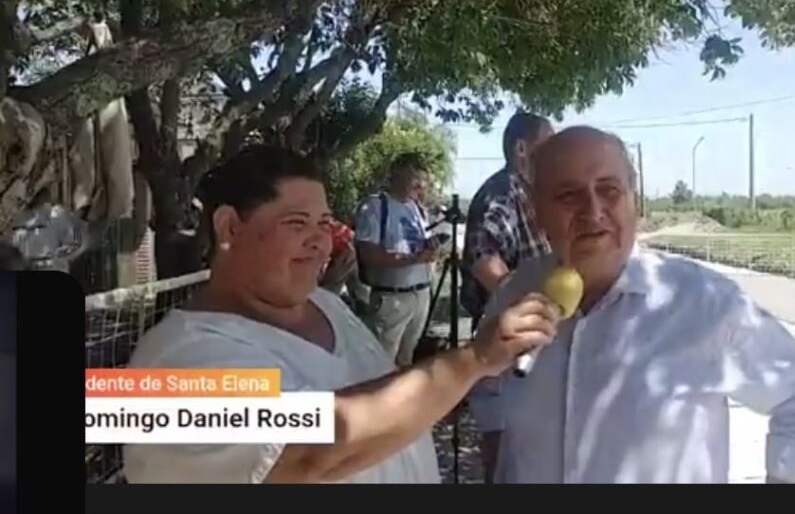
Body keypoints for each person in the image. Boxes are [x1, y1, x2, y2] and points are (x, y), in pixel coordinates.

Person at [122, 145, 558, 484]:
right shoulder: (173, 363)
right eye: (297, 223)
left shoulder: (325, 303)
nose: (320, 242)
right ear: (230, 228)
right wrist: (474, 360)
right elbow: (312, 451)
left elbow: (376, 397)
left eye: (324, 224)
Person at [469, 126, 795, 483]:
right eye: (569, 196)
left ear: (636, 202)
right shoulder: (514, 296)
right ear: (536, 213)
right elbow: (489, 395)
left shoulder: (704, 304)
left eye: (609, 190)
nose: (593, 211)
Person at [460, 111, 553, 481]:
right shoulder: (502, 192)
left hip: (530, 347)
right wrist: (522, 308)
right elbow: (482, 258)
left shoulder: (528, 193)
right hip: (507, 350)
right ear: (522, 149)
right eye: (549, 143)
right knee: (505, 460)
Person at [354, 153, 439, 367]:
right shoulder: (375, 206)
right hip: (393, 298)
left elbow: (418, 245)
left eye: (423, 179)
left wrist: (431, 248)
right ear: (397, 174)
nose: (420, 185)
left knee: (406, 360)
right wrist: (413, 259)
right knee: (382, 361)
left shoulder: (417, 208)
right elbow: (367, 252)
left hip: (421, 295)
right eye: (415, 178)